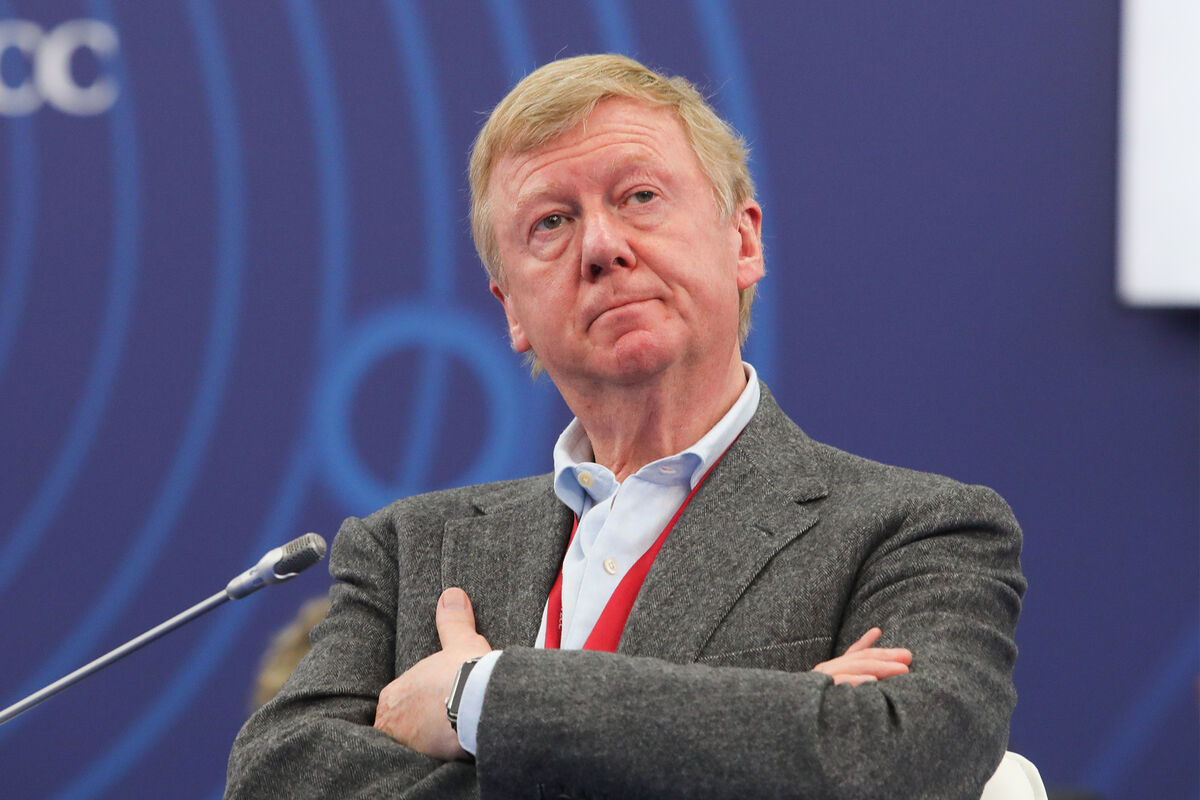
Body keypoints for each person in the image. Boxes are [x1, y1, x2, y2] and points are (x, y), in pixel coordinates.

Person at [225, 54, 1025, 799]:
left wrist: (483, 696)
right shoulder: (407, 552)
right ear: (512, 312)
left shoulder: (915, 530)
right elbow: (275, 776)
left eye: (639, 197)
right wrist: (772, 734)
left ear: (743, 240)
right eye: (551, 222)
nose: (603, 247)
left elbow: (909, 755)